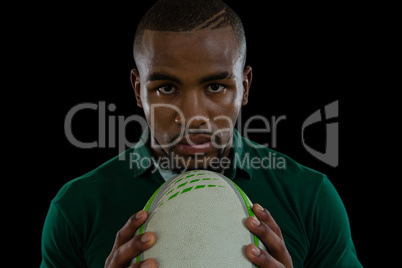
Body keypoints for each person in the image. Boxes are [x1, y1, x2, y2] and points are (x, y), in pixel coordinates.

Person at [41, 0, 362, 267]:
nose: (193, 116)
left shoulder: (310, 196)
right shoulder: (77, 207)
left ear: (244, 87)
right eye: (166, 87)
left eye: (215, 86)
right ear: (138, 91)